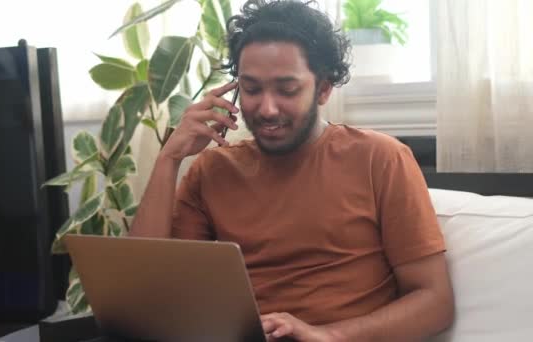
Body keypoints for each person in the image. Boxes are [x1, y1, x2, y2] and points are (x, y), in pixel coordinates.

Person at [130, 0, 454, 340]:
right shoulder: (213, 170)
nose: (267, 109)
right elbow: (146, 295)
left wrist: (327, 336)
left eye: (287, 90)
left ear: (324, 88)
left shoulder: (380, 159)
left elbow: (434, 302)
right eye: (252, 89)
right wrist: (170, 158)